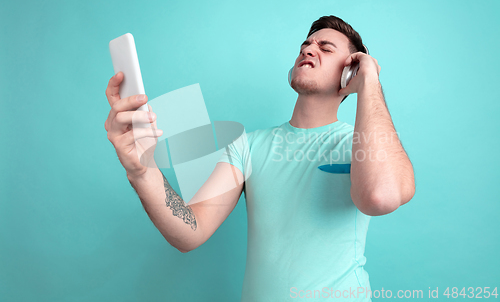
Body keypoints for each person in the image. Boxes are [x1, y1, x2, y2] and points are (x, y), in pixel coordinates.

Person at [104, 15, 415, 301]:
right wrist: (142, 170)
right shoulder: (247, 147)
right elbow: (190, 230)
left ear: (350, 72)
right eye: (305, 44)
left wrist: (370, 79)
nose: (308, 49)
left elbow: (380, 197)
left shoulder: (361, 144)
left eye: (325, 47)